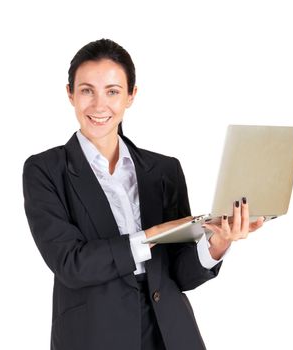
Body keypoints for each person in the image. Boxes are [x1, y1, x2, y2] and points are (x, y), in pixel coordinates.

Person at [22, 38, 264, 350]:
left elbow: (181, 273)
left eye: (112, 91)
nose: (99, 105)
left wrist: (218, 242)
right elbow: (70, 263)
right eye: (86, 90)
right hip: (94, 336)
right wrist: (148, 237)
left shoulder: (164, 170)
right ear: (70, 94)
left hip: (170, 334)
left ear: (131, 96)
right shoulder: (45, 170)